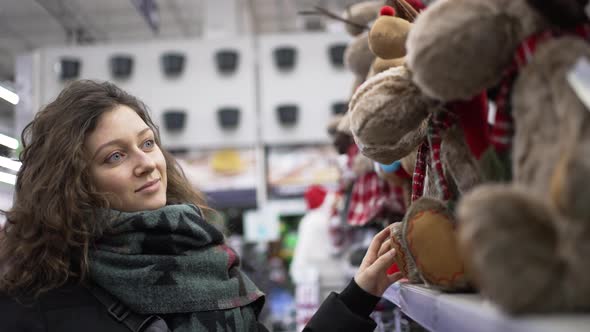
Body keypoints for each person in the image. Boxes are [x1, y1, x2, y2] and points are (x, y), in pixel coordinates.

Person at [0, 80, 402, 332]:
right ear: (73, 183)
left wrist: (359, 296)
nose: (146, 163)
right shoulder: (41, 297)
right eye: (115, 157)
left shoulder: (205, 259)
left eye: (146, 143)